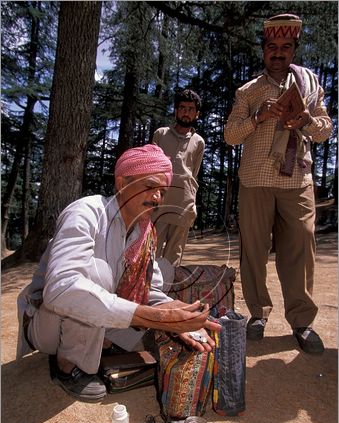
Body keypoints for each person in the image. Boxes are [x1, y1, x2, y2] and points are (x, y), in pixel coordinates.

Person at [17, 144, 221, 402]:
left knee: (158, 278)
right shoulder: (86, 212)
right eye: (150, 186)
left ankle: (98, 343)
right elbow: (61, 289)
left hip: (95, 323)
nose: (157, 197)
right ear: (122, 181)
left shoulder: (143, 232)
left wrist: (175, 314)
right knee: (98, 273)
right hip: (47, 325)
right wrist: (158, 319)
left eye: (162, 191)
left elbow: (147, 290)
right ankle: (68, 366)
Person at [224, 14, 332, 354]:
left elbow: (326, 129)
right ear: (263, 51)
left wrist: (307, 120)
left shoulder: (311, 84)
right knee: (253, 250)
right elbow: (229, 136)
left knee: (300, 247)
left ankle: (301, 321)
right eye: (272, 47)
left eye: (286, 48)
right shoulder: (249, 91)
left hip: (297, 178)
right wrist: (259, 117)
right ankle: (257, 314)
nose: (278, 53)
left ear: (294, 49)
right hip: (255, 179)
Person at [152, 89, 205, 266]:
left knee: (174, 254)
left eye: (191, 109)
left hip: (184, 203)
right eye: (182, 107)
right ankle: (145, 289)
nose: (186, 112)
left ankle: (167, 289)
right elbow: (152, 167)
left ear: (197, 114)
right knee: (152, 248)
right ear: (175, 110)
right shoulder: (161, 134)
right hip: (159, 202)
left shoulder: (199, 142)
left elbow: (193, 173)